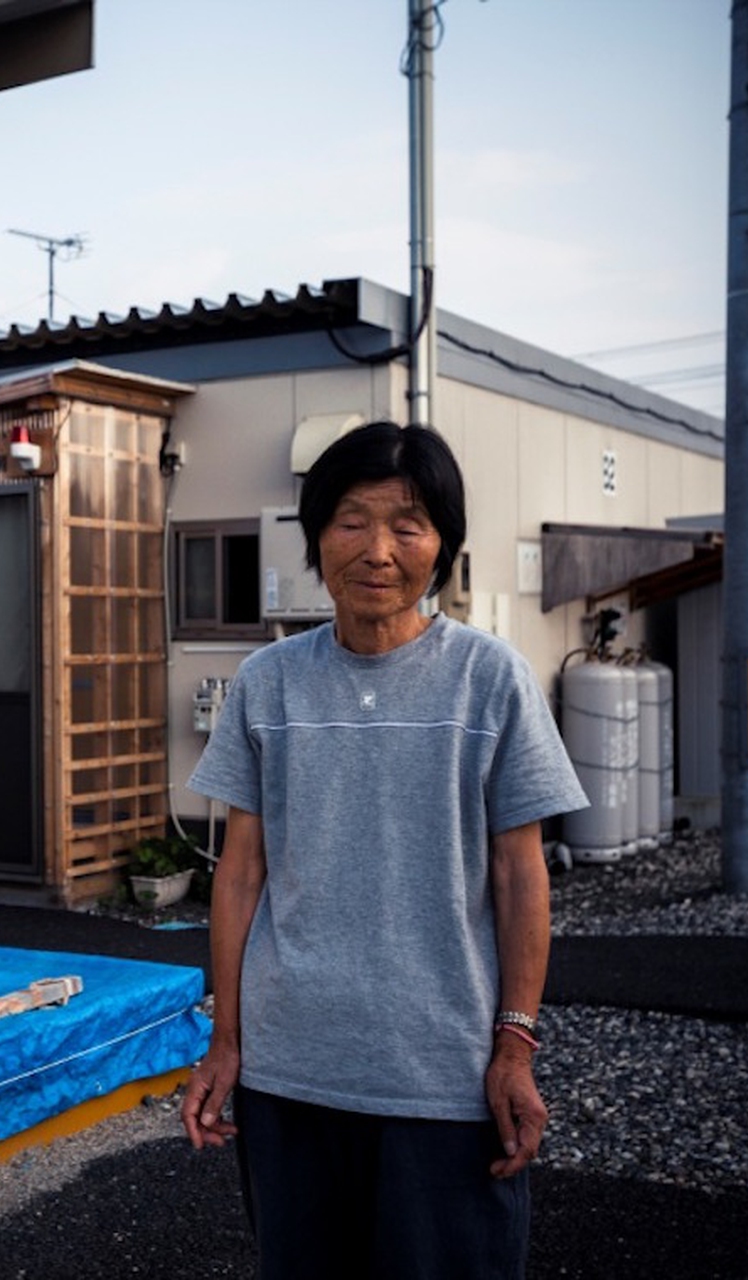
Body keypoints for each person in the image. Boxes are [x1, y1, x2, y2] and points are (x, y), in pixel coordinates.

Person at [182, 421, 587, 1278]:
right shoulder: (270, 682)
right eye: (351, 520)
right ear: (317, 535)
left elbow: (522, 876)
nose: (378, 550)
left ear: (443, 544)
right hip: (290, 1077)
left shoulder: (490, 678)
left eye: (407, 524)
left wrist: (514, 1046)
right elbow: (241, 871)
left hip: (442, 1076)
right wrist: (227, 1040)